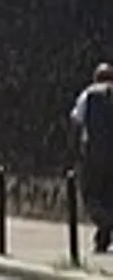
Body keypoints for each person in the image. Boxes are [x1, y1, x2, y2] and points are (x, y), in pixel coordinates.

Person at [70, 62, 113, 252]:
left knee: (90, 195)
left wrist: (75, 150)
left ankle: (105, 225)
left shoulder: (89, 94)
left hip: (94, 154)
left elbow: (76, 120)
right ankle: (103, 236)